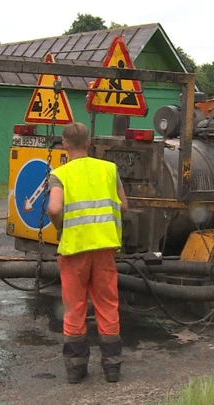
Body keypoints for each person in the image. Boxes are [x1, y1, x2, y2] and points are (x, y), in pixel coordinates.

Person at [47, 122, 128, 384]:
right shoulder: (108, 169)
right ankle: (112, 369)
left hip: (74, 250)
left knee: (74, 308)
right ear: (89, 142)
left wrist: (62, 228)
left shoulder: (61, 174)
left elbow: (54, 209)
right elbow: (123, 206)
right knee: (107, 307)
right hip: (104, 249)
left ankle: (75, 370)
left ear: (65, 144)